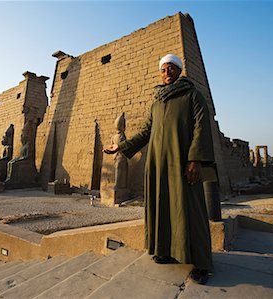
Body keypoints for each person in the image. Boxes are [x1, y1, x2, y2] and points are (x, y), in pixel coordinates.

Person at [103, 54, 214, 284]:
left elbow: (201, 129)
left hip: (182, 163)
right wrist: (121, 147)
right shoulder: (157, 103)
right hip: (158, 165)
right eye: (163, 69)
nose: (167, 73)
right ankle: (167, 251)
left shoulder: (193, 96)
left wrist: (194, 160)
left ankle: (201, 264)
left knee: (190, 210)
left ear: (179, 70)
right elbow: (146, 132)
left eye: (171, 68)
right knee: (163, 207)